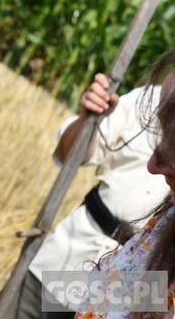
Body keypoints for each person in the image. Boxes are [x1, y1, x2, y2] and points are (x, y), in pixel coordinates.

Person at [12, 73, 169, 318]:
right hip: (69, 254)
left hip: (134, 289)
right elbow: (70, 155)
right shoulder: (149, 100)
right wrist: (89, 119)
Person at [76, 49, 175, 317]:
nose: (153, 165)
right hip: (76, 251)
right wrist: (88, 119)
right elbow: (73, 156)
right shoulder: (152, 96)